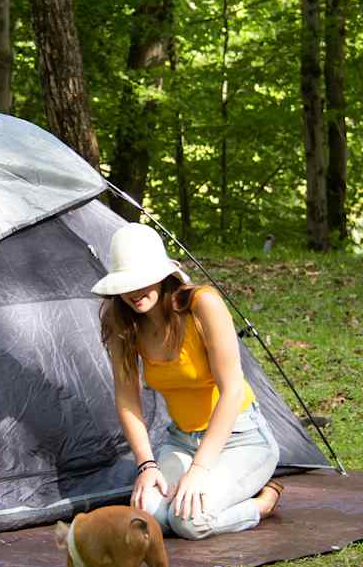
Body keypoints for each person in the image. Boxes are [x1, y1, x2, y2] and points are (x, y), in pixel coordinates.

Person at [92, 223, 283, 540]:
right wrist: (147, 465)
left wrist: (198, 471)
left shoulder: (202, 305)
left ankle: (261, 504)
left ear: (163, 275)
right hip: (182, 441)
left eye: (142, 280)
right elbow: (127, 398)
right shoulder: (123, 323)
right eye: (126, 284)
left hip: (242, 438)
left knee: (188, 523)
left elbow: (233, 391)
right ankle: (212, 491)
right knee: (149, 519)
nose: (134, 292)